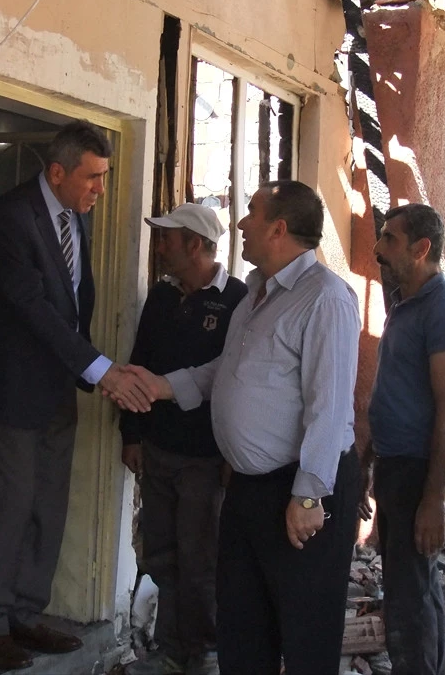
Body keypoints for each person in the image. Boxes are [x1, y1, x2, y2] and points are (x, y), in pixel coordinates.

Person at [121, 181, 362, 675]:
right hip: (251, 487)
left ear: (279, 227)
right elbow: (225, 372)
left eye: (251, 212)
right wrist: (162, 386)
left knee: (304, 629)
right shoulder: (256, 292)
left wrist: (309, 496)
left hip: (301, 488)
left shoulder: (326, 298)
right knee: (242, 622)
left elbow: (329, 405)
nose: (240, 223)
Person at [0, 120, 153, 672]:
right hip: (12, 392)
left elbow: (73, 303)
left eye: (104, 177)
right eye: (92, 177)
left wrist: (85, 371)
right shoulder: (12, 217)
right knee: (10, 505)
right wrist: (100, 370)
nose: (100, 188)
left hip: (57, 391)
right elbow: (32, 308)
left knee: (47, 506)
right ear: (57, 172)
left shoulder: (76, 217)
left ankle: (25, 612)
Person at [120, 204, 248, 675]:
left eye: (167, 239)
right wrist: (131, 434)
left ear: (194, 244)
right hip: (156, 450)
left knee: (201, 561)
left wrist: (230, 454)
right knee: (161, 553)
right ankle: (173, 652)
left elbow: (235, 381)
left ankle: (207, 653)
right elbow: (139, 363)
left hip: (204, 459)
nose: (160, 248)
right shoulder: (161, 298)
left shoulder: (238, 301)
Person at [356, 204, 445, 675]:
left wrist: (435, 500)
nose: (379, 249)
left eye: (389, 239)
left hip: (422, 474)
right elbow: (391, 392)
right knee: (409, 590)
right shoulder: (407, 305)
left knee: (411, 596)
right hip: (396, 467)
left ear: (421, 248)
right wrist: (369, 461)